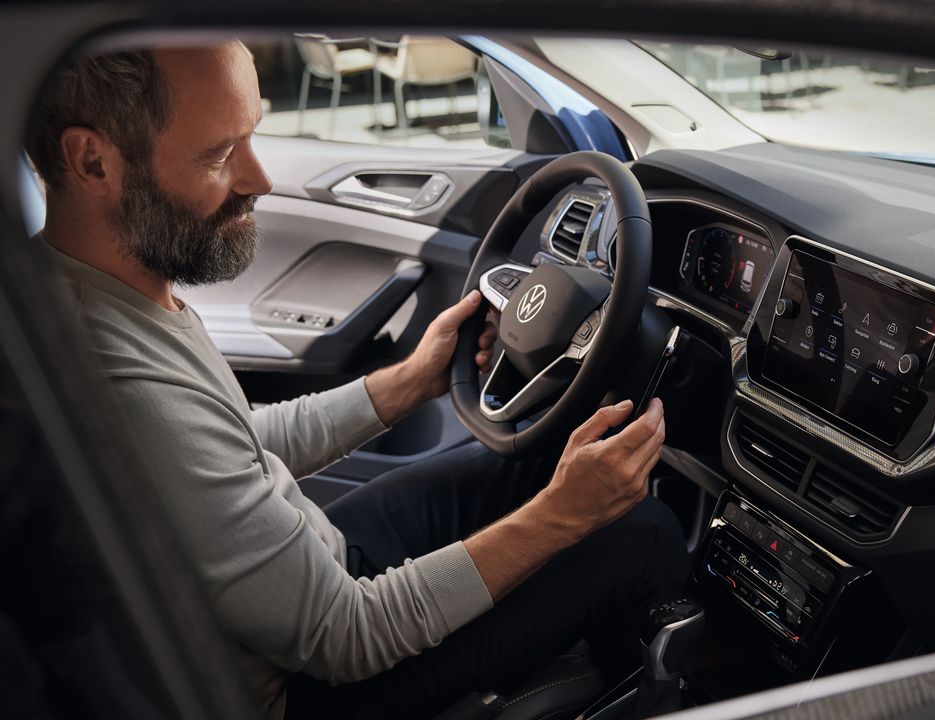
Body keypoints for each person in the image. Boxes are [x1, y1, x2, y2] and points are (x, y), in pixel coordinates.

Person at [27, 41, 689, 719]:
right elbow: (347, 637)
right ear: (93, 161)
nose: (258, 178)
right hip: (307, 686)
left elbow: (236, 445)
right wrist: (562, 516)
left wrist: (408, 382)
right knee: (641, 532)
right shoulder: (112, 379)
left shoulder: (94, 290)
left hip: (305, 573)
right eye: (221, 155)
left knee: (536, 462)